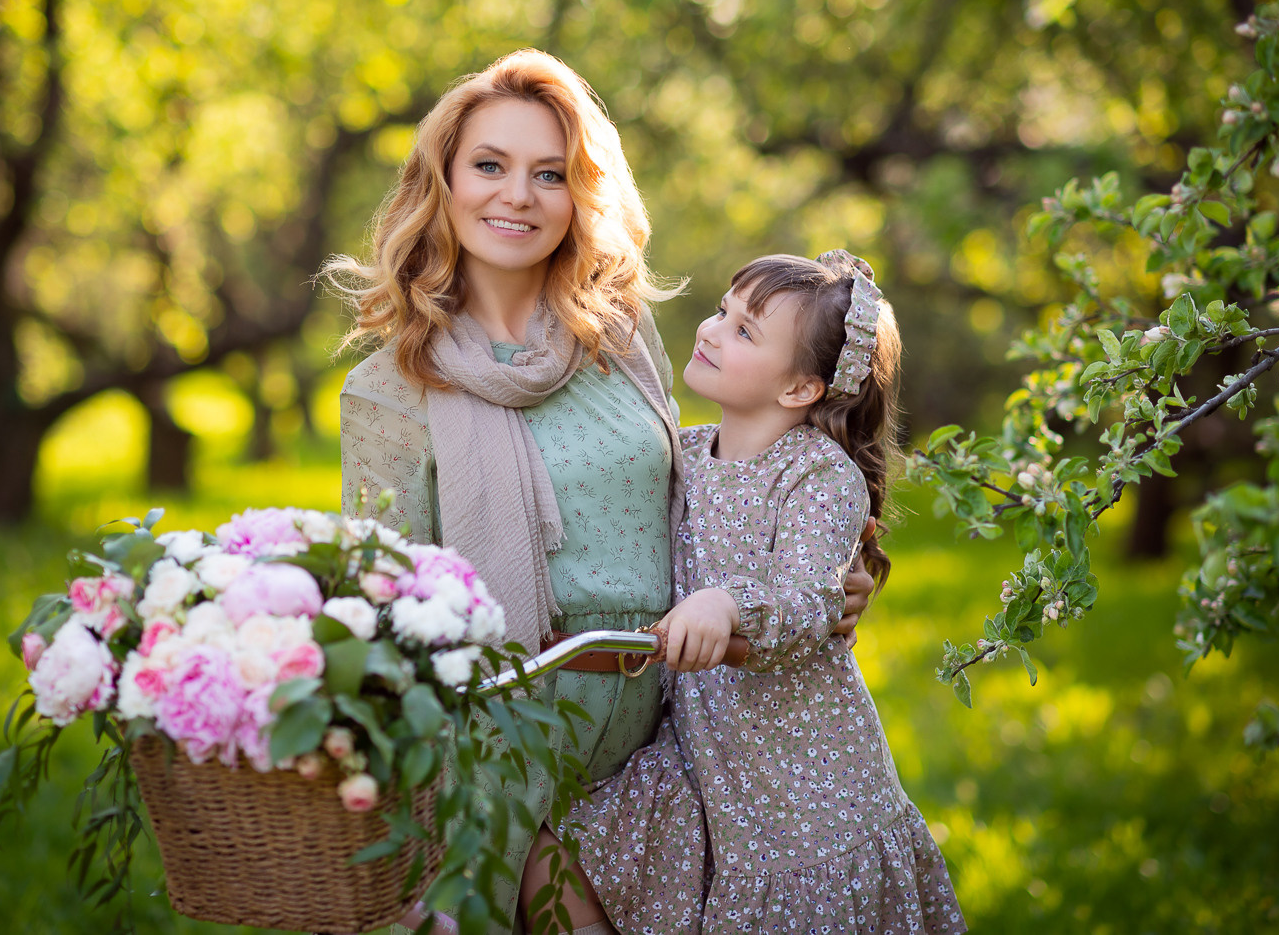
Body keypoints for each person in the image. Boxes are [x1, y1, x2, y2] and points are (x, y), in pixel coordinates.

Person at [333, 50, 877, 934]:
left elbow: (716, 489)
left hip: (669, 736)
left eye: (549, 173)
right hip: (505, 743)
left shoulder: (617, 337)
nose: (518, 195)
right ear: (443, 179)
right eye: (489, 165)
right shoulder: (390, 389)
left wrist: (816, 580)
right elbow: (382, 603)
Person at [542, 252, 965, 935]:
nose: (711, 330)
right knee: (562, 848)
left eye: (744, 331)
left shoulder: (818, 478)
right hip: (709, 762)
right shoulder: (684, 452)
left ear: (800, 388)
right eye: (721, 311)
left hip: (808, 800)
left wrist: (728, 602)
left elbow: (809, 601)